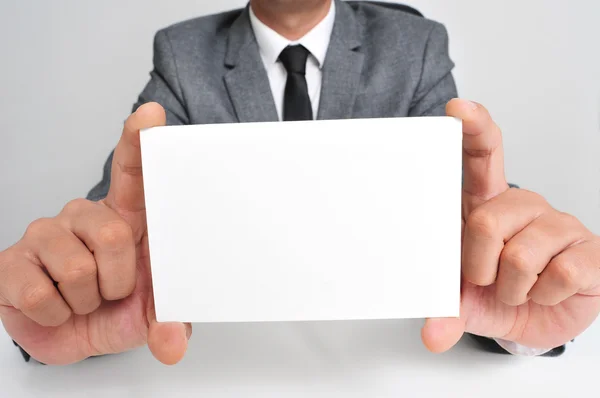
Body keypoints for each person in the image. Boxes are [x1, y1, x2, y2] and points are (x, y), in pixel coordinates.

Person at [1, 0, 599, 366]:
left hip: (386, 357)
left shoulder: (413, 43)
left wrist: (522, 289)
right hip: (233, 365)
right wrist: (61, 299)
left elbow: (473, 201)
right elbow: (115, 218)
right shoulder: (183, 53)